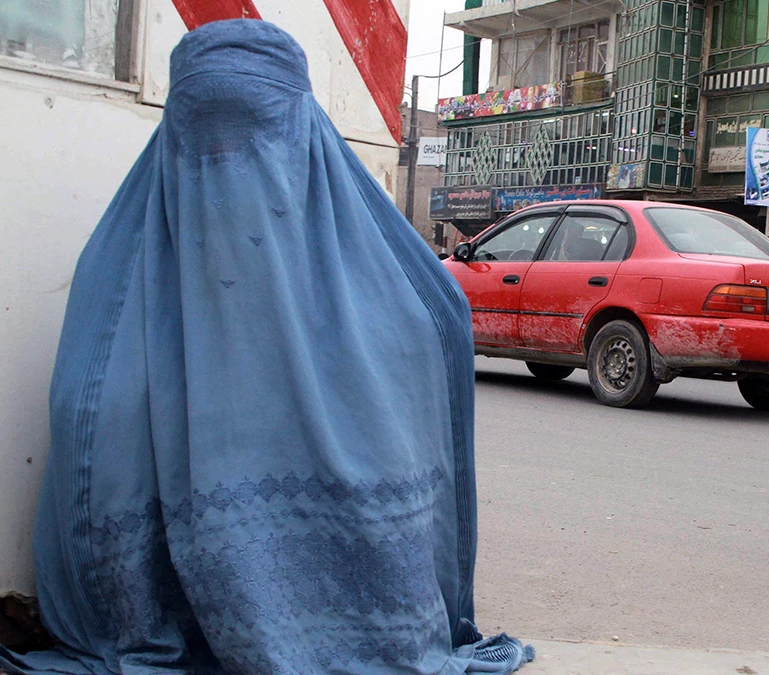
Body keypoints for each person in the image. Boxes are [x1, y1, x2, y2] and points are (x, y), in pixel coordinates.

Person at [0, 19, 532, 674]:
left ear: (302, 134)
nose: (232, 168)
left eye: (253, 135)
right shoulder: (122, 281)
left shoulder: (381, 295)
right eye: (211, 142)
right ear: (176, 138)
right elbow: (91, 416)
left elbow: (433, 329)